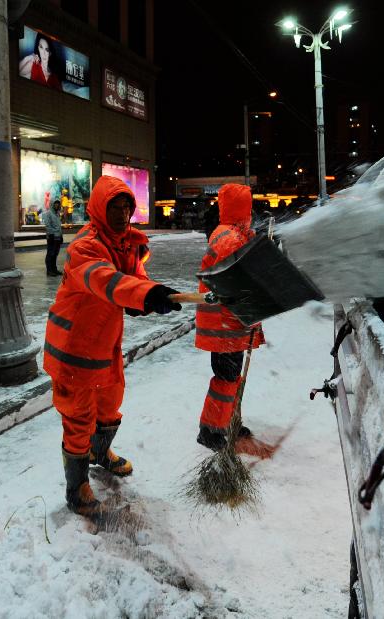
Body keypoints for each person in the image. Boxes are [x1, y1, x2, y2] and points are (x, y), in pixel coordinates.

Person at [43, 175, 182, 516]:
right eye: (114, 207)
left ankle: (99, 453)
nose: (122, 214)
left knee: (110, 400)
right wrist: (144, 294)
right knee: (78, 416)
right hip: (74, 347)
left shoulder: (125, 243)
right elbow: (103, 279)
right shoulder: (86, 246)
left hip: (105, 342)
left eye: (127, 207)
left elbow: (134, 278)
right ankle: (76, 488)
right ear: (99, 210)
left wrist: (150, 294)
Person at [194, 183, 265, 450]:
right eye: (248, 206)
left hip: (232, 322)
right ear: (243, 208)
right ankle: (210, 430)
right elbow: (234, 282)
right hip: (225, 323)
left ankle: (230, 420)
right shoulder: (229, 238)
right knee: (225, 378)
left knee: (232, 377)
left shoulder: (236, 234)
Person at [42, 199, 63, 276]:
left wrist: (61, 236)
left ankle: (54, 269)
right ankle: (49, 270)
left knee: (55, 254)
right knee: (50, 254)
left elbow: (59, 227)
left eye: (58, 204)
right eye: (55, 204)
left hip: (57, 237)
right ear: (52, 204)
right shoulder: (48, 214)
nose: (57, 205)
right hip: (52, 237)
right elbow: (48, 226)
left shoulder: (57, 214)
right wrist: (51, 235)